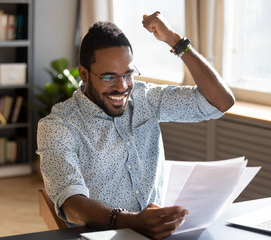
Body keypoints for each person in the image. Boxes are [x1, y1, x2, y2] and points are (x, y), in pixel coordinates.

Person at [37, 11, 235, 239]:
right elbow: (71, 203)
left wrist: (176, 42)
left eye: (128, 73)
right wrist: (132, 221)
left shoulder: (145, 99)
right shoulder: (58, 126)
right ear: (84, 74)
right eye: (109, 77)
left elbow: (220, 101)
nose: (122, 87)